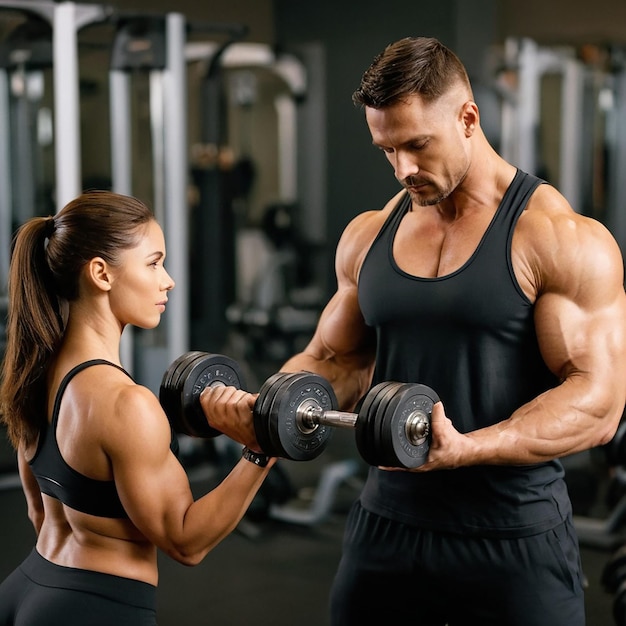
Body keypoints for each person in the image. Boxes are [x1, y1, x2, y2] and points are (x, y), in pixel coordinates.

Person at [200, 37, 626, 625]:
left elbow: (598, 401)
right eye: (387, 150)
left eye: (418, 145)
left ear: (468, 118)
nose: (404, 169)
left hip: (512, 537)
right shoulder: (370, 234)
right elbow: (335, 359)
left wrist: (469, 448)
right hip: (387, 527)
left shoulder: (558, 237)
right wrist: (269, 406)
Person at [0, 190, 275, 626]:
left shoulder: (32, 376)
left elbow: (39, 510)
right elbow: (186, 542)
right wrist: (261, 449)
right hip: (96, 607)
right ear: (101, 274)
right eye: (153, 263)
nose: (167, 280)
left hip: (29, 588)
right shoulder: (127, 404)